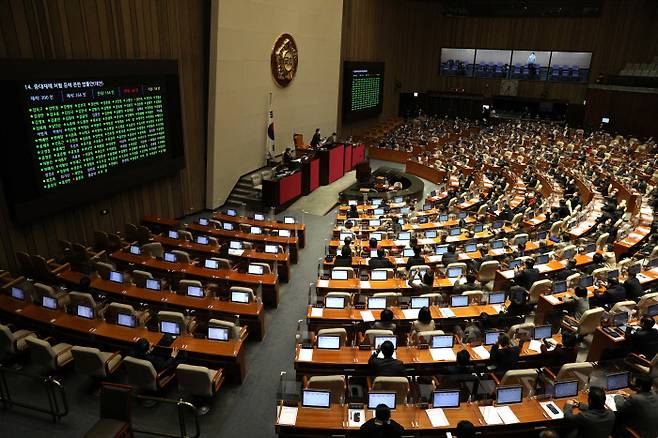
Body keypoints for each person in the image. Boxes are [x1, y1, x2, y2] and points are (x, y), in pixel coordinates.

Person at [614, 374, 658, 438]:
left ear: (639, 387)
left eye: (633, 382)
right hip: (654, 431)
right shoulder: (654, 394)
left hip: (642, 433)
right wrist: (629, 397)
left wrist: (618, 396)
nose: (631, 382)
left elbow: (620, 407)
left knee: (617, 415)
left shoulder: (635, 398)